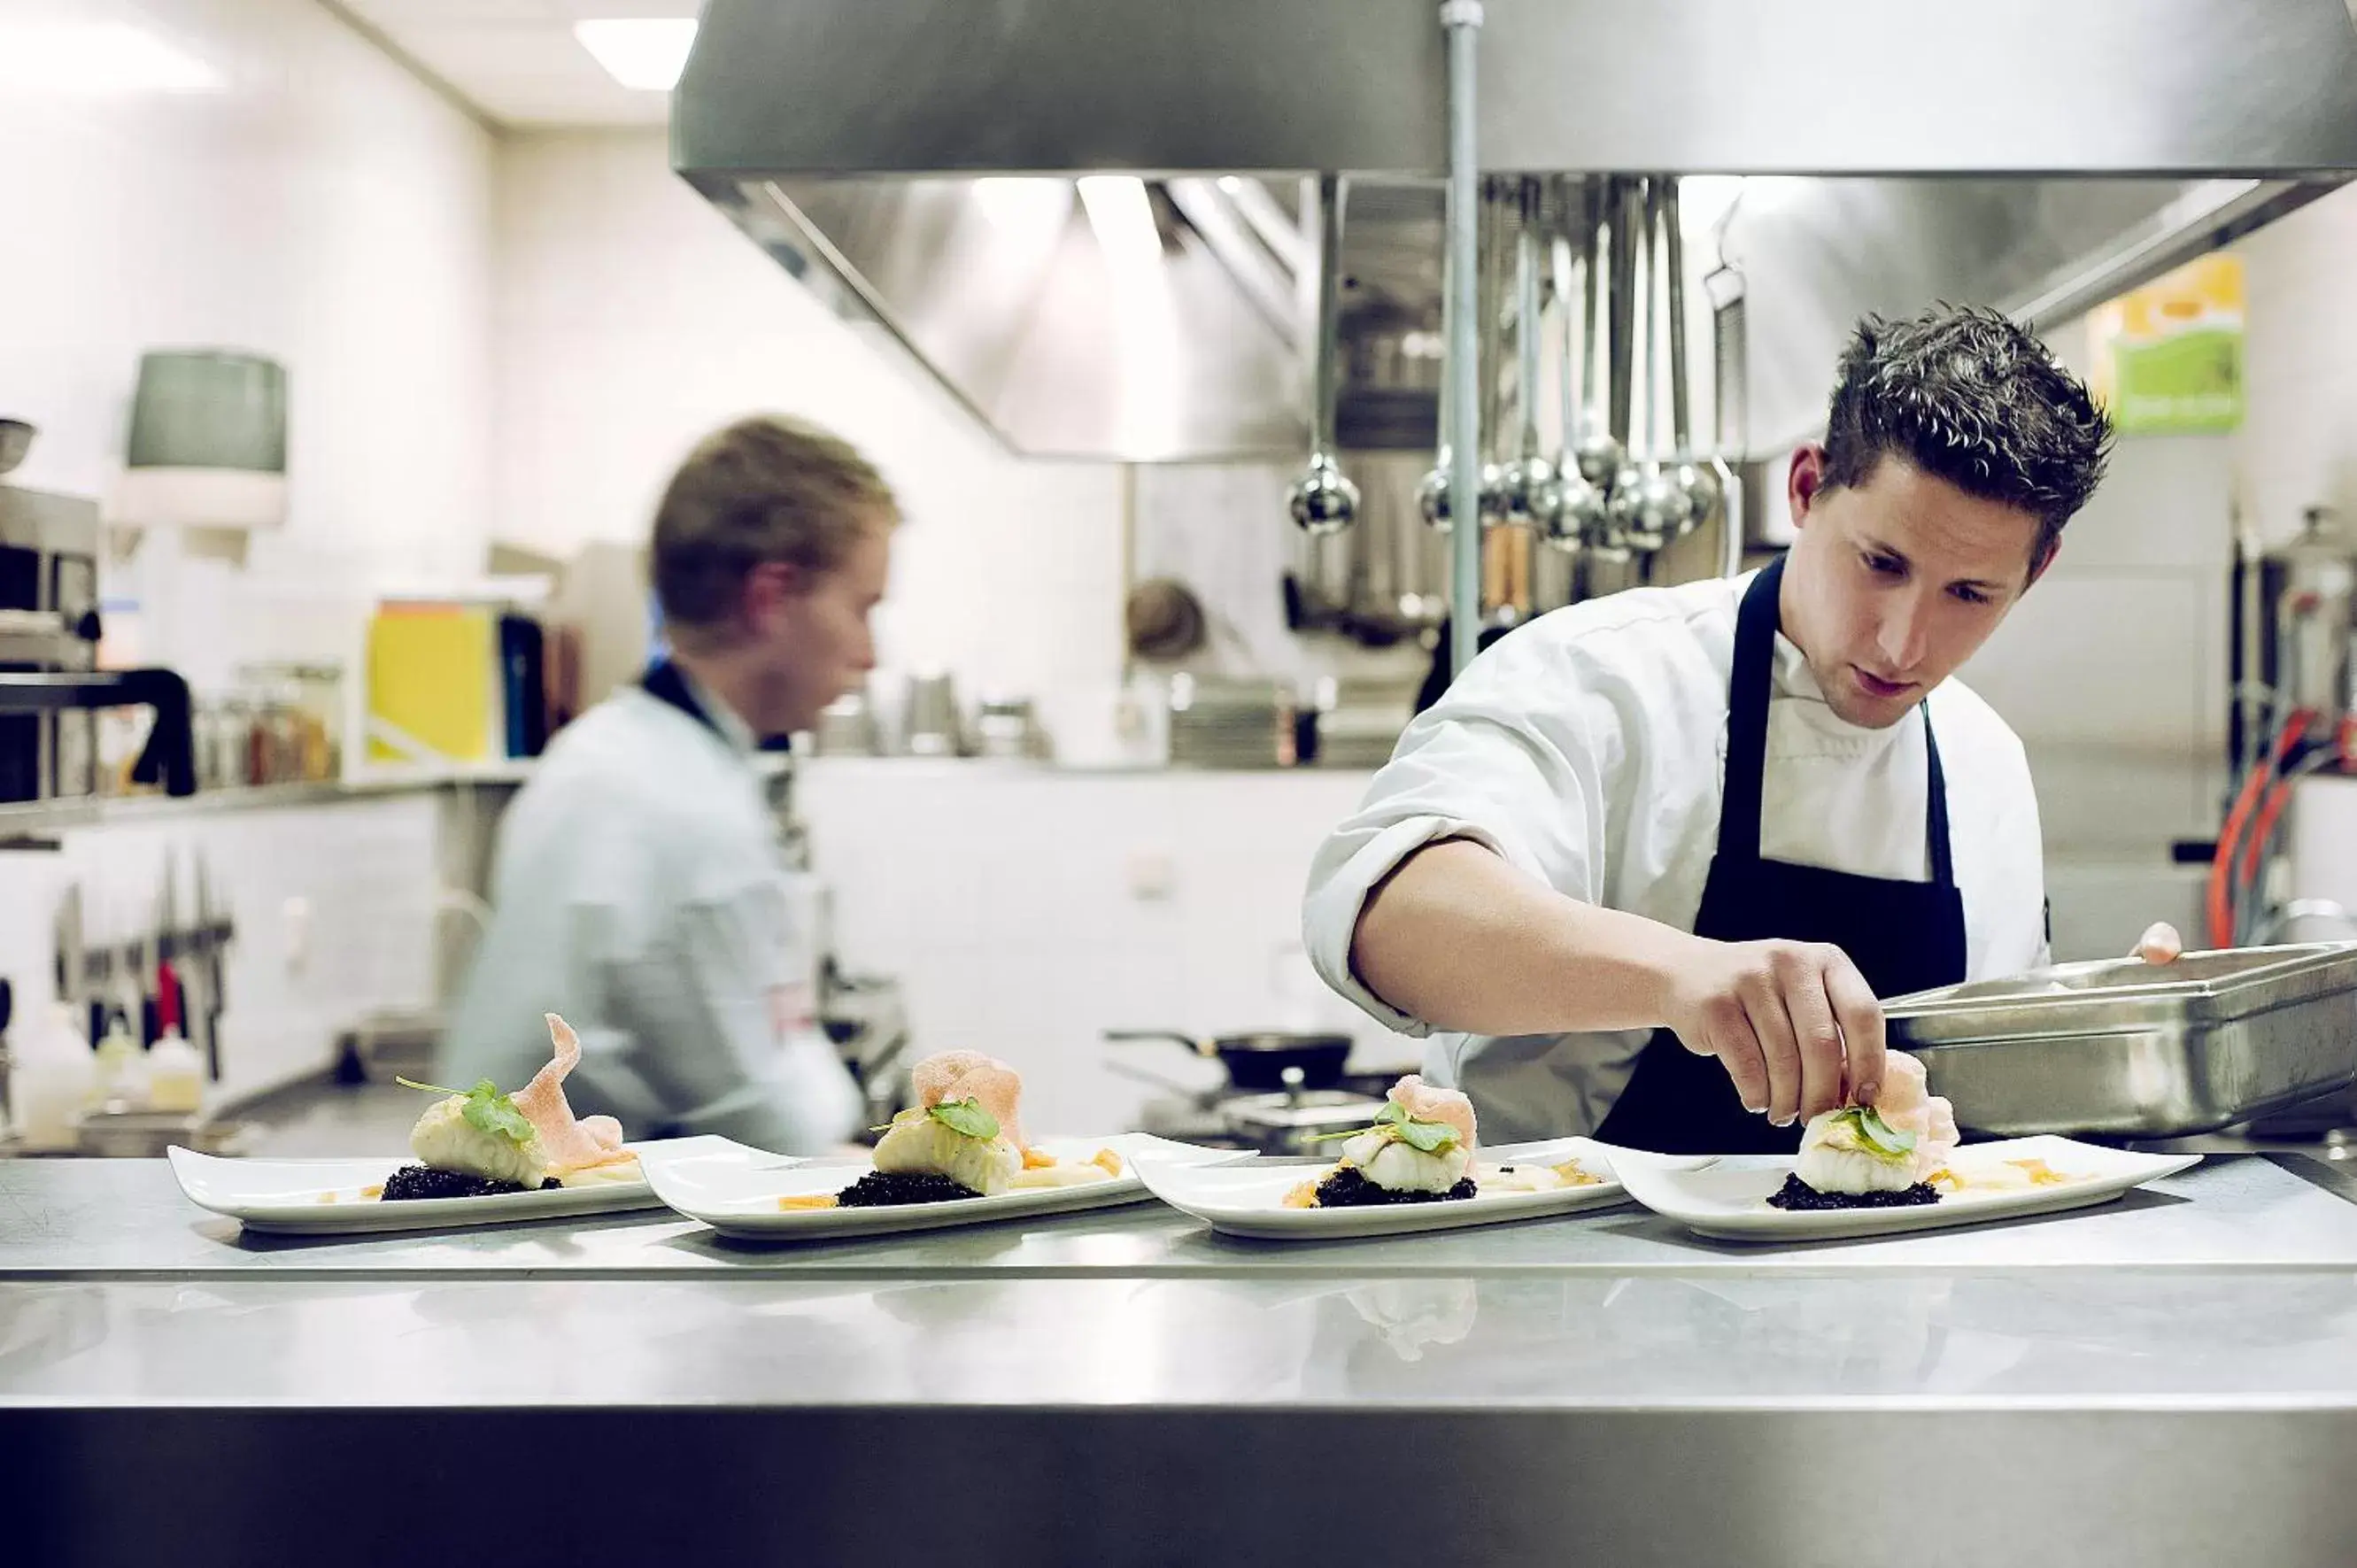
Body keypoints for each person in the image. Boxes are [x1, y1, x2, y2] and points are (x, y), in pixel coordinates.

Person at [1303, 304, 2180, 1152]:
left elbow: (1980, 1103)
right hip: (1566, 1278)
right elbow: (1386, 919)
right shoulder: (1601, 678)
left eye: (1969, 594)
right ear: (1806, 488)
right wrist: (1679, 974)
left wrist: (2116, 1041)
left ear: (2036, 570)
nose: (1903, 642)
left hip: (1883, 1289)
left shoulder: (1984, 762)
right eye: (1881, 564)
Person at [441, 414, 893, 1153]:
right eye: (862, 607)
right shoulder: (679, 808)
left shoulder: (617, 755)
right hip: (566, 1250)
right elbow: (765, 1119)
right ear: (770, 596)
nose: (870, 653)